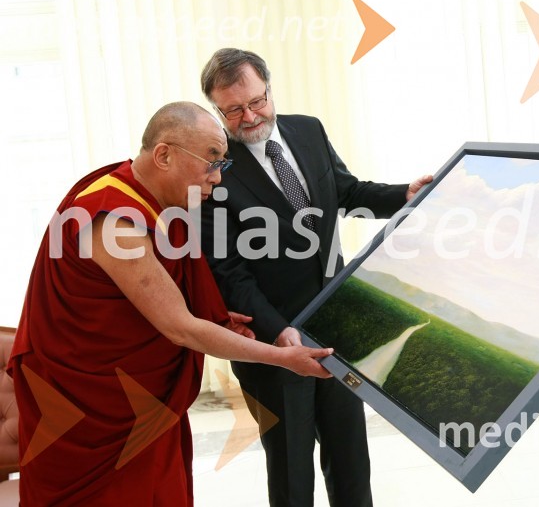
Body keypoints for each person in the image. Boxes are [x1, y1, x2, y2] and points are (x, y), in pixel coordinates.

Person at [9, 102, 334, 506]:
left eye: (223, 165)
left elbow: (152, 298)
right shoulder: (114, 218)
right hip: (92, 409)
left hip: (140, 399)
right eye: (210, 163)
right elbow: (179, 327)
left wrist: (210, 315)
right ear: (164, 154)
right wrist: (282, 358)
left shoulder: (154, 200)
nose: (217, 180)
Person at [198, 48, 432, 507]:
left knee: (350, 458)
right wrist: (278, 334)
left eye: (256, 101)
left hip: (335, 324)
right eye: (232, 110)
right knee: (291, 471)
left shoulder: (308, 129)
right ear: (216, 110)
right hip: (270, 343)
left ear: (269, 87)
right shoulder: (212, 171)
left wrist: (403, 194)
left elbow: (345, 191)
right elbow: (230, 274)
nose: (249, 117)